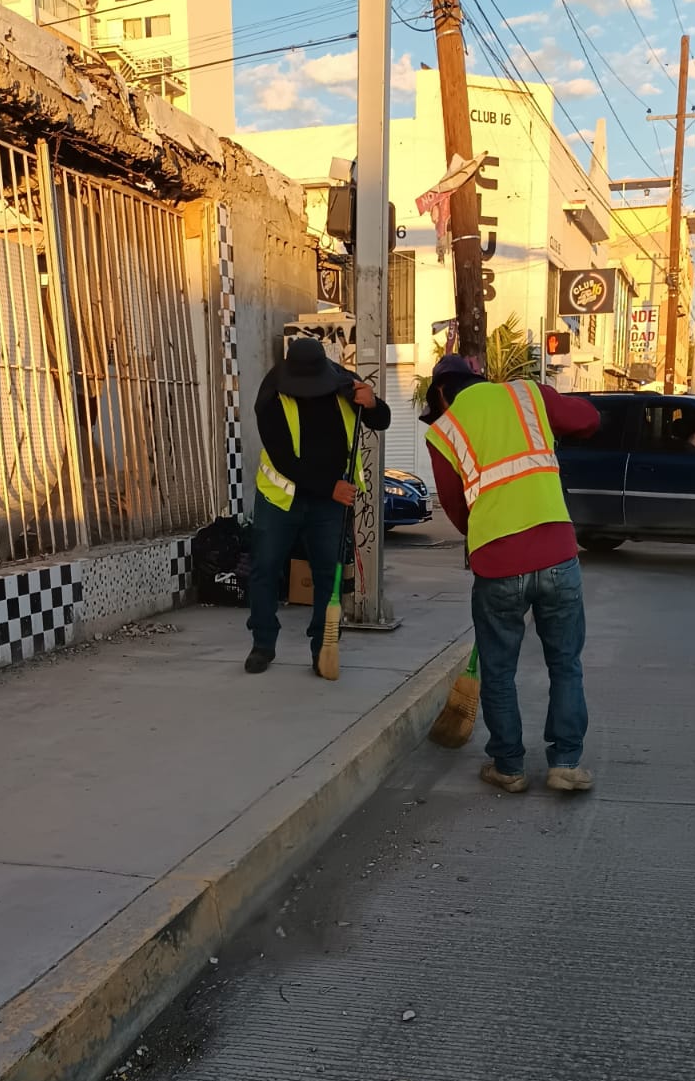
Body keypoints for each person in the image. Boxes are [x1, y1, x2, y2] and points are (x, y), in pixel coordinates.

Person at [422, 355, 600, 795]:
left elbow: (455, 506)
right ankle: (565, 764)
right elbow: (589, 419)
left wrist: (484, 534)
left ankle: (509, 767)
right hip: (557, 553)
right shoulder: (527, 393)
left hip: (497, 562)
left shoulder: (443, 430)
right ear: (478, 378)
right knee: (565, 663)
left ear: (441, 393)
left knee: (499, 670)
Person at [246, 337, 390, 675]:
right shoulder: (271, 395)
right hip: (280, 497)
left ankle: (324, 648)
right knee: (265, 568)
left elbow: (380, 421)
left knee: (328, 574)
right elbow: (284, 458)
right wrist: (330, 487)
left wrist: (373, 405)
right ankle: (262, 644)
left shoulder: (345, 385)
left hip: (328, 504)